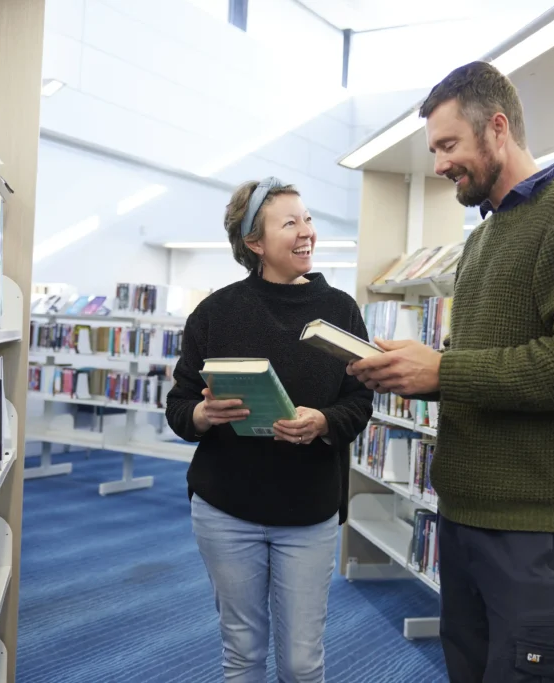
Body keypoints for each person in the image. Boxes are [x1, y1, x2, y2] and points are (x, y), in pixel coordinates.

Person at [348, 61, 554, 683]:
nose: (440, 164)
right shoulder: (481, 240)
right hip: (464, 514)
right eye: (434, 149)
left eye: (449, 145)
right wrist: (409, 369)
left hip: (533, 525)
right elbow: (484, 363)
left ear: (497, 128)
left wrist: (445, 372)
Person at [165, 178, 373, 683]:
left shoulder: (341, 310)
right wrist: (202, 415)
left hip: (309, 512)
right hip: (225, 510)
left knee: (303, 662)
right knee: (242, 651)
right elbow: (179, 405)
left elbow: (360, 400)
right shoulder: (216, 312)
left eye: (308, 219)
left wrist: (324, 421)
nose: (307, 233)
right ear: (254, 243)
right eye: (290, 223)